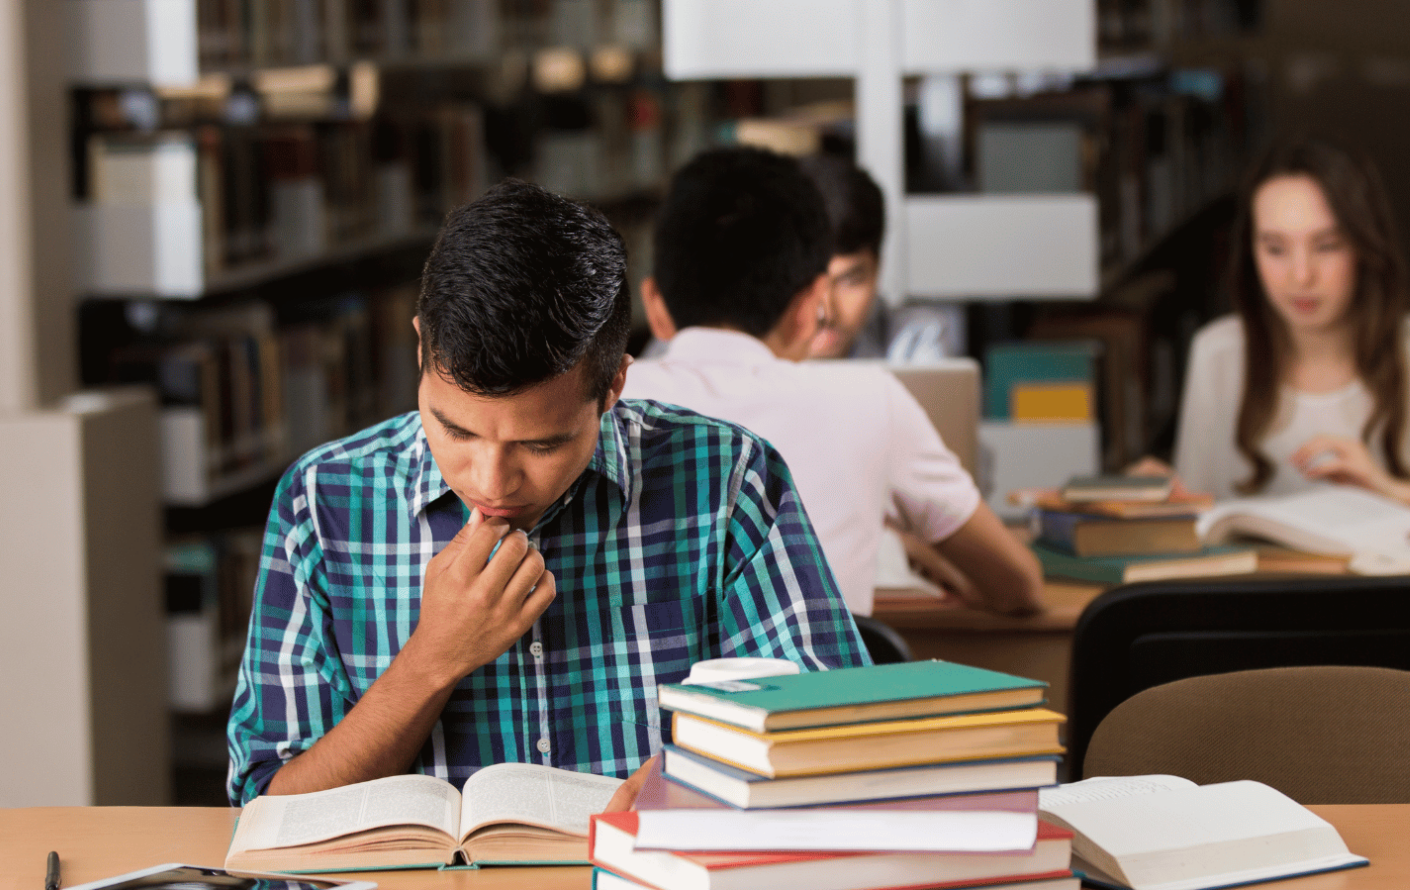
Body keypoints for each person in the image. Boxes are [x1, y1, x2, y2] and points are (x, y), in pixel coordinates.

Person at [226, 179, 868, 808]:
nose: (489, 482)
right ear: (421, 349)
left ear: (614, 382)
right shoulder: (324, 501)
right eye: (454, 429)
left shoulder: (729, 480)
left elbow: (835, 738)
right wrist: (431, 661)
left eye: (541, 445)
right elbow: (264, 810)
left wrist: (686, 784)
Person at [625, 146, 1043, 617]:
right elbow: (1020, 587)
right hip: (824, 691)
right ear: (810, 309)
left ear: (655, 306)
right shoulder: (873, 400)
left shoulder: (602, 403)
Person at [1155, 134, 1410, 520]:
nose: (1300, 276)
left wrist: (1388, 489)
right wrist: (1155, 497)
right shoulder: (1216, 353)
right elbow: (1198, 519)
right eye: (1275, 248)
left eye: (1326, 246)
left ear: (1365, 246)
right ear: (1250, 252)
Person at [798, 154, 887, 359]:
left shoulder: (914, 341)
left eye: (849, 281)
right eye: (805, 281)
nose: (826, 313)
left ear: (878, 269)